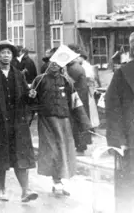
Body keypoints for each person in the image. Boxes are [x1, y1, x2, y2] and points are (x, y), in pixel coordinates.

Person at [0, 40, 38, 203]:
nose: (6, 56)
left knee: (20, 155)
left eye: (9, 53)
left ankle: (25, 191)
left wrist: (30, 94)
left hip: (16, 122)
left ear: (12, 56)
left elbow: (25, 97)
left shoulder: (18, 74)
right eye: (3, 53)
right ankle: (2, 189)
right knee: (1, 157)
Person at [31, 60, 91, 197]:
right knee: (52, 150)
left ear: (62, 65)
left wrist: (84, 122)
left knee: (63, 150)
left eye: (58, 62)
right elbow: (30, 100)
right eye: (52, 62)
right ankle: (56, 181)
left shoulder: (67, 81)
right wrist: (31, 97)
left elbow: (75, 101)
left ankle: (59, 181)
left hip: (64, 120)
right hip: (47, 121)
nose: (54, 65)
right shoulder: (40, 80)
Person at [105, 48, 134, 212]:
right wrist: (117, 141)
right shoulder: (123, 74)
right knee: (127, 190)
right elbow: (112, 107)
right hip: (129, 142)